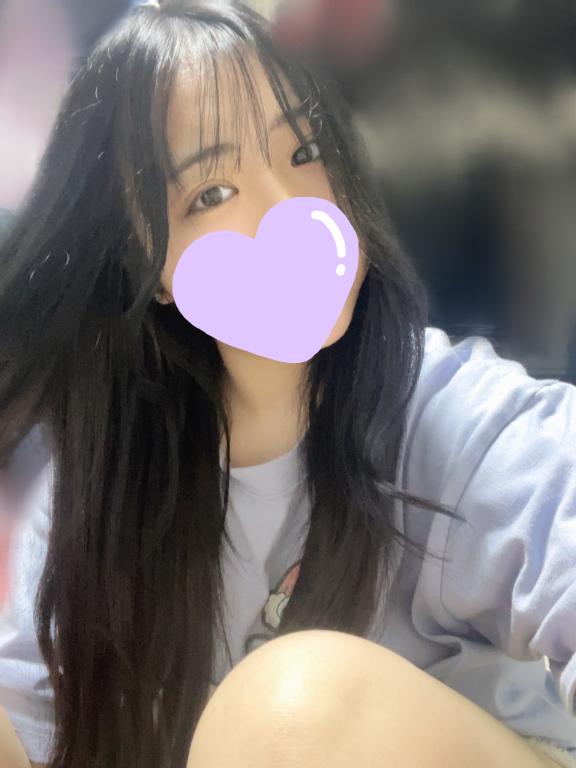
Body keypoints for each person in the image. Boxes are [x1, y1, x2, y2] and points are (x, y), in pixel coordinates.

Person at [0, 2, 574, 768]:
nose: (289, 208)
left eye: (304, 150)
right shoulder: (100, 487)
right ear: (145, 264)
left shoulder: (453, 420)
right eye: (211, 193)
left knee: (292, 705)